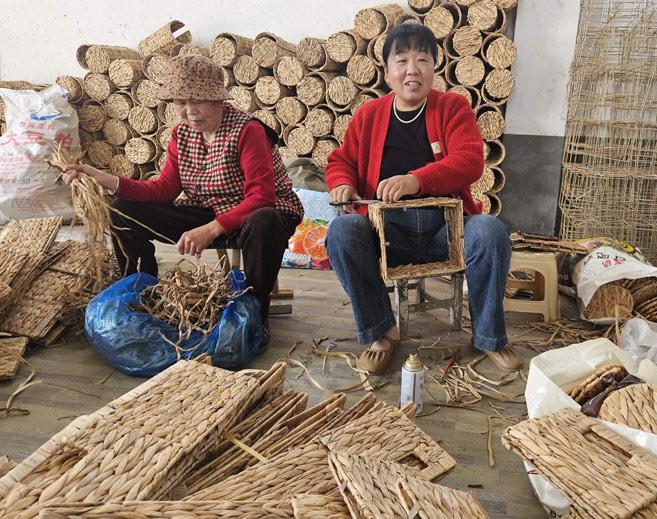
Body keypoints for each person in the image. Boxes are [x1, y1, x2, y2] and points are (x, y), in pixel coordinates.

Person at [62, 54, 303, 343]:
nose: (190, 111)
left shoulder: (248, 131)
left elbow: (261, 197)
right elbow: (164, 189)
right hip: (206, 210)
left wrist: (211, 229)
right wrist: (108, 180)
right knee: (121, 210)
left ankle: (252, 313)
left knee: (264, 220)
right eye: (180, 102)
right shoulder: (182, 134)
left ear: (217, 100)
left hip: (258, 214)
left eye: (197, 101)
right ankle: (142, 293)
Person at [325, 24, 518, 374]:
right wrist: (341, 183)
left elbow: (470, 160)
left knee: (489, 230)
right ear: (387, 71)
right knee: (342, 231)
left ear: (434, 68)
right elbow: (342, 160)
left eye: (422, 59)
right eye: (401, 60)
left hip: (444, 230)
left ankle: (490, 337)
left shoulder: (452, 107)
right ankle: (381, 332)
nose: (412, 69)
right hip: (387, 235)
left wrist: (416, 180)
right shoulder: (369, 115)